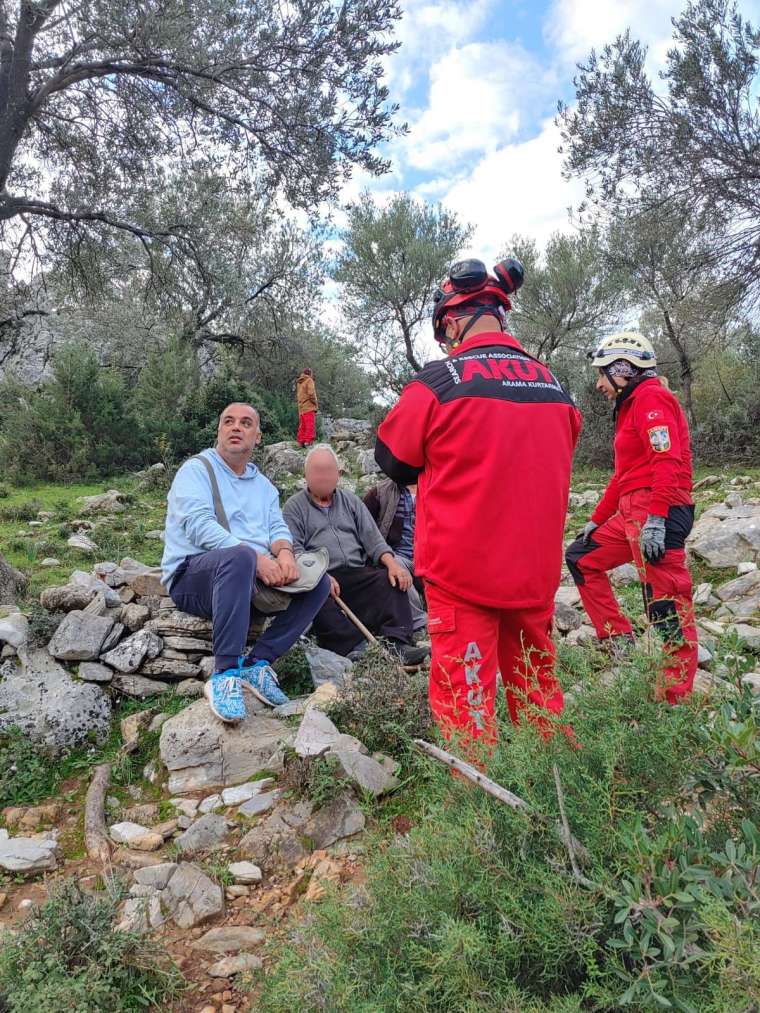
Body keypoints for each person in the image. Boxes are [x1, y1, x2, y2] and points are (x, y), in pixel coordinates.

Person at [375, 258, 582, 747]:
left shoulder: (438, 382)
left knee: (467, 713)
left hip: (462, 575)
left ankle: (477, 817)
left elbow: (394, 460)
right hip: (533, 575)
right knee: (539, 700)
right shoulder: (555, 386)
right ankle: (558, 796)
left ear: (452, 320)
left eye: (445, 334)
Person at [161, 403, 331, 723]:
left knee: (320, 580)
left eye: (245, 423)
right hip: (194, 575)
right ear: (219, 431)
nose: (236, 427)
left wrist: (283, 554)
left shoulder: (263, 485)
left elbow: (278, 528)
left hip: (247, 581)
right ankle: (225, 674)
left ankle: (258, 664)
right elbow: (197, 525)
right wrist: (255, 559)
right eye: (229, 421)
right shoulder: (197, 470)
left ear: (257, 436)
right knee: (239, 556)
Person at [565, 333, 697, 702]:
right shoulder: (631, 404)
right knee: (580, 557)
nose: (599, 383)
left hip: (660, 508)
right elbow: (625, 475)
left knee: (667, 603)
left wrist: (657, 518)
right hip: (632, 511)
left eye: (603, 374)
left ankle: (675, 700)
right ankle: (618, 636)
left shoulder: (652, 398)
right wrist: (596, 519)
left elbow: (666, 461)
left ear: (622, 369)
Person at [283, 445, 430, 665]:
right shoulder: (294, 507)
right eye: (317, 471)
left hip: (357, 571)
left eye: (328, 471)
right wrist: (319, 575)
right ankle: (355, 649)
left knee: (389, 578)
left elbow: (373, 539)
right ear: (306, 475)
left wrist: (392, 564)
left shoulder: (350, 501)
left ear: (337, 474)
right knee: (316, 594)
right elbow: (295, 551)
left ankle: (398, 643)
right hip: (322, 575)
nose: (323, 476)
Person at [363, 478, 427, 634]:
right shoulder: (380, 493)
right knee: (396, 570)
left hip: (430, 558)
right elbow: (363, 527)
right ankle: (421, 623)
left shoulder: (435, 487)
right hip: (399, 557)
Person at [296, 367, 318, 447]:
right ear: (310, 374)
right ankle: (308, 442)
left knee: (302, 426)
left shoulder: (300, 382)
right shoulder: (309, 380)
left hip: (301, 407)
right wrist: (315, 403)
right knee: (310, 425)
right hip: (309, 406)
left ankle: (300, 442)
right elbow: (311, 393)